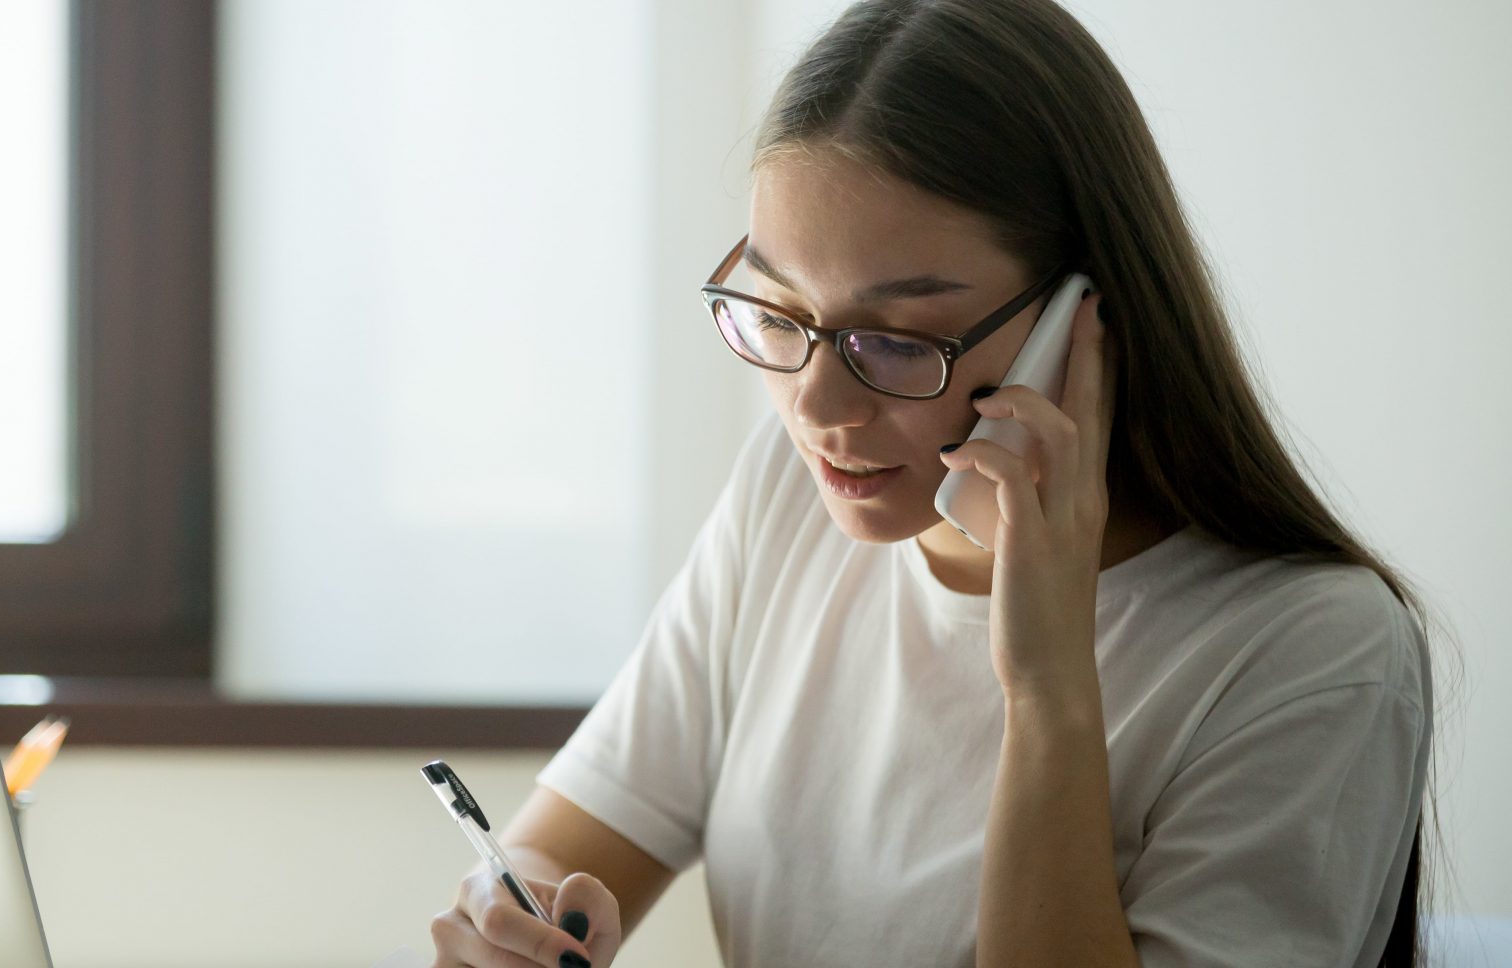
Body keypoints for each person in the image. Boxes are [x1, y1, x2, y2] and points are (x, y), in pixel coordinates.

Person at [425, 0, 1438, 966]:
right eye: (779, 311)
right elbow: (559, 853)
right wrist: (504, 912)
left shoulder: (1311, 649)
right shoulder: (791, 497)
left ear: (1079, 319)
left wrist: (1044, 690)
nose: (817, 406)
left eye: (894, 340)